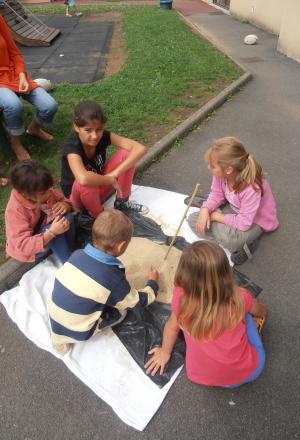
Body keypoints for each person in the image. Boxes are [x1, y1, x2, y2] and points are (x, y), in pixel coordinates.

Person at [145, 240, 267, 387]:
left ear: (184, 274)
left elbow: (172, 326)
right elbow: (260, 311)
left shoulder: (180, 297)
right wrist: (262, 310)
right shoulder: (239, 298)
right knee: (247, 314)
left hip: (199, 375)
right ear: (225, 273)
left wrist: (165, 352)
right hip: (247, 372)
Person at [48, 209, 159, 354]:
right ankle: (86, 330)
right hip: (80, 331)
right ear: (121, 246)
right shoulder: (113, 278)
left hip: (55, 322)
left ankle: (60, 345)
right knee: (121, 311)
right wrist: (152, 284)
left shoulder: (77, 254)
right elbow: (137, 302)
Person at [188, 136, 278, 264]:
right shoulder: (220, 175)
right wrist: (205, 209)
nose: (209, 167)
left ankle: (245, 245)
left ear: (229, 170)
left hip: (257, 220)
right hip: (235, 210)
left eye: (212, 166)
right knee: (193, 219)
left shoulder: (252, 188)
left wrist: (213, 216)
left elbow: (244, 223)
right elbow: (216, 194)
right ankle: (222, 236)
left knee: (230, 239)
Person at [60, 100, 148, 218]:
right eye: (88, 130)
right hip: (77, 201)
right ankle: (99, 217)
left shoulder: (104, 136)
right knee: (85, 182)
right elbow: (83, 178)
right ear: (76, 127)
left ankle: (122, 202)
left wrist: (114, 174)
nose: (95, 136)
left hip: (99, 186)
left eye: (99, 129)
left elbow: (140, 148)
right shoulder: (72, 146)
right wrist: (110, 180)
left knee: (126, 154)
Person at [0, 16, 58, 161]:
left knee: (49, 106)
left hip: (13, 75)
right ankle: (15, 142)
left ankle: (34, 128)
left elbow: (15, 53)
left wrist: (21, 75)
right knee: (13, 105)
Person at [5, 160, 75, 264]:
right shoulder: (14, 211)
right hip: (31, 251)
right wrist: (51, 233)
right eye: (43, 192)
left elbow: (67, 202)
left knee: (67, 217)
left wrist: (66, 205)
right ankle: (69, 263)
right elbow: (23, 246)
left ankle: (70, 247)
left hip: (47, 234)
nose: (49, 193)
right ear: (25, 194)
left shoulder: (40, 189)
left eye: (49, 189)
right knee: (52, 228)